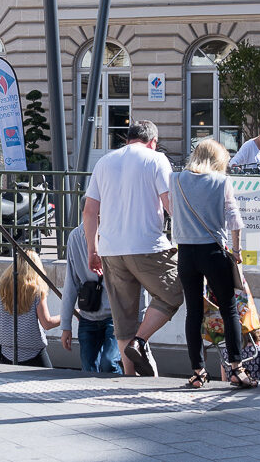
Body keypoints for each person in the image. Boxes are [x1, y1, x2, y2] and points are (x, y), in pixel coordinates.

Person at [83, 119, 184, 377]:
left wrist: (92, 250)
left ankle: (130, 376)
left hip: (110, 249)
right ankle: (139, 342)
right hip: (147, 245)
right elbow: (170, 205)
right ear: (153, 142)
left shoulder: (104, 162)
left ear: (127, 139)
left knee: (123, 317)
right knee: (173, 292)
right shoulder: (156, 159)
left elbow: (90, 211)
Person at [171, 138, 255, 388]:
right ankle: (236, 370)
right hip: (213, 252)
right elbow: (235, 221)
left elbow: (172, 212)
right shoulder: (221, 181)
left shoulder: (176, 179)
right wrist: (237, 251)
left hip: (186, 253)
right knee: (229, 310)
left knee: (193, 312)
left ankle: (197, 372)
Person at [60, 222, 122, 374]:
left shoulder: (113, 231)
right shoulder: (75, 237)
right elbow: (71, 283)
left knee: (109, 363)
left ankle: (115, 389)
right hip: (88, 315)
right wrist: (65, 326)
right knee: (88, 369)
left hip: (114, 315)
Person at [0, 249, 60, 368]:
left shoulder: (0, 289)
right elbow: (47, 323)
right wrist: (69, 315)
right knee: (48, 383)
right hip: (34, 353)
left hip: (7, 352)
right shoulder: (36, 291)